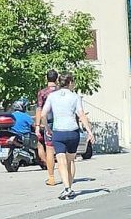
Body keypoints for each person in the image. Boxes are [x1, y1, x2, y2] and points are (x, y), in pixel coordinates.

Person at [41, 73, 95, 201]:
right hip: (72, 132)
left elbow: (43, 114)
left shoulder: (52, 96)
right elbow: (81, 114)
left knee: (61, 161)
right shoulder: (75, 97)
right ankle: (69, 186)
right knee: (70, 160)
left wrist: (47, 128)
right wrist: (89, 131)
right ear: (70, 83)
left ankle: (67, 188)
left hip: (58, 132)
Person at [36, 69, 59, 186]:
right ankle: (67, 174)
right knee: (62, 151)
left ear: (46, 78)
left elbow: (39, 109)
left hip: (48, 123)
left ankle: (51, 177)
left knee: (49, 149)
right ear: (57, 79)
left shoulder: (43, 93)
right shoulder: (61, 92)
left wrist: (37, 125)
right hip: (62, 123)